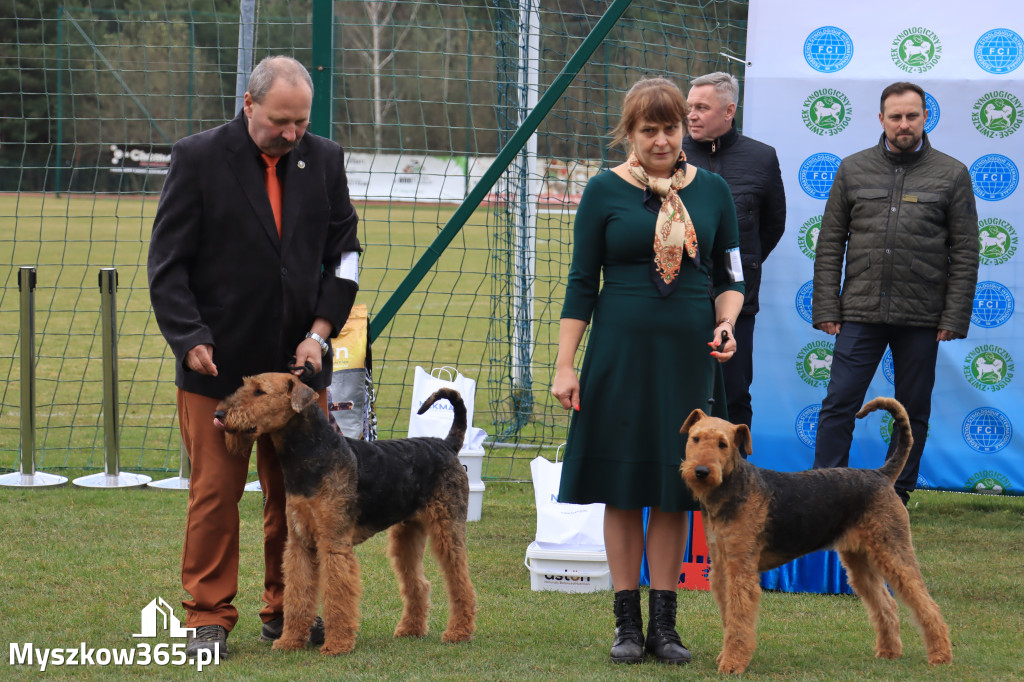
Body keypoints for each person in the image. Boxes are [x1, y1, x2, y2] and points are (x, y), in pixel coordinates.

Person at [147, 55, 361, 658]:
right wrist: (191, 339)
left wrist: (319, 334)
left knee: (294, 499)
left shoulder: (326, 160)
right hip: (219, 373)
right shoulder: (198, 158)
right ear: (249, 104)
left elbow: (345, 257)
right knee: (215, 495)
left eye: (301, 122)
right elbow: (168, 266)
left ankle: (285, 611)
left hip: (297, 378)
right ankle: (207, 618)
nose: (292, 134)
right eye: (279, 122)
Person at [551, 77, 744, 665]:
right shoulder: (603, 192)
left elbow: (731, 274)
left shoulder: (712, 191)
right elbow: (583, 282)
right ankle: (627, 627)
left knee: (673, 488)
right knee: (622, 486)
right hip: (617, 355)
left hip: (688, 355)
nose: (661, 140)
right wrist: (566, 364)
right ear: (629, 133)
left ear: (685, 129)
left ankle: (665, 627)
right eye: (648, 130)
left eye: (670, 128)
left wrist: (727, 324)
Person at [812, 81, 979, 505]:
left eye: (912, 116)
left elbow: (965, 251)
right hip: (860, 312)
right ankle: (824, 496)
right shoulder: (852, 168)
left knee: (912, 413)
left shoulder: (953, 173)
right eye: (896, 116)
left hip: (923, 317)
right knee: (838, 404)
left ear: (925, 118)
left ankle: (894, 498)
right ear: (881, 119)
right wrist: (827, 306)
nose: (904, 124)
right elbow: (831, 241)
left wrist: (953, 317)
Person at [682, 71, 786, 430]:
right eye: (689, 107)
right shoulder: (672, 155)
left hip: (738, 305)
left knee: (734, 393)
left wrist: (743, 268)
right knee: (683, 391)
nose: (691, 115)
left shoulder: (762, 157)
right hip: (680, 296)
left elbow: (772, 226)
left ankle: (738, 478)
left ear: (729, 111)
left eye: (701, 108)